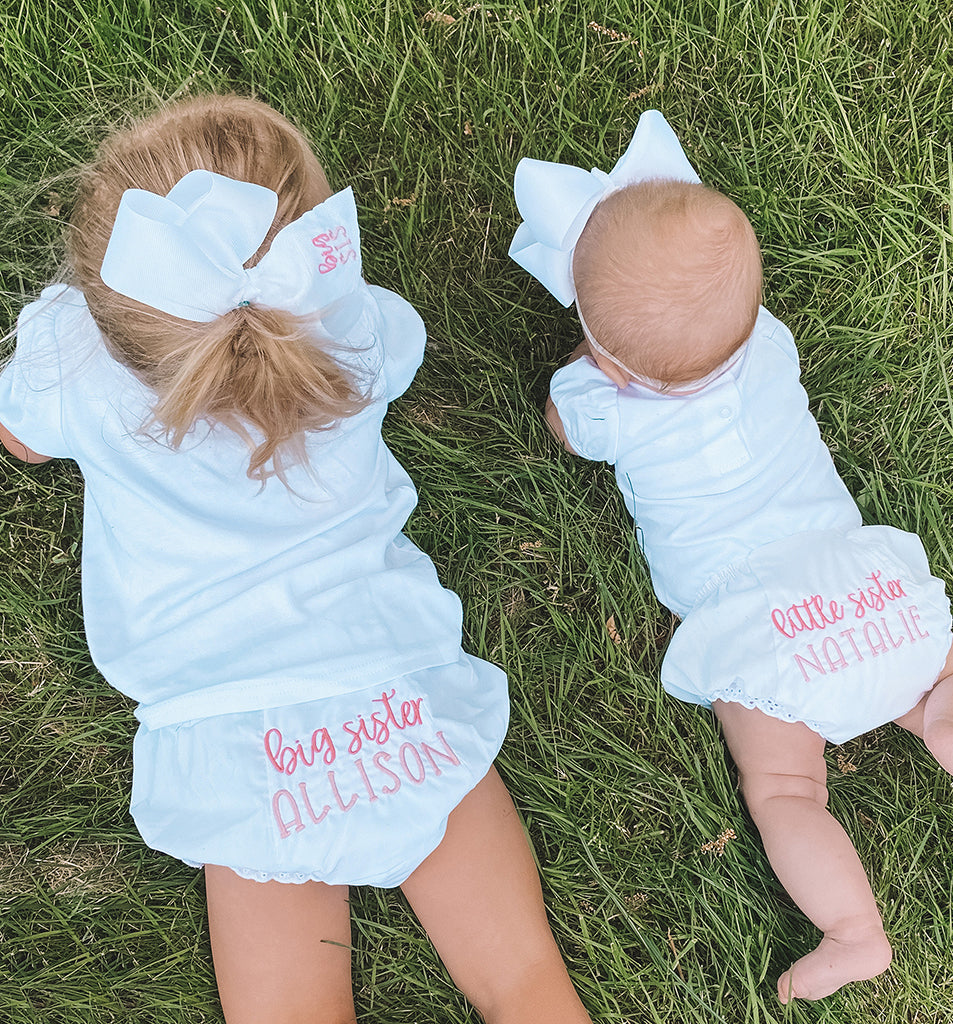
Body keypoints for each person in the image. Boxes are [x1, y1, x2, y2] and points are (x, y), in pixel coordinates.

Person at [0, 94, 593, 1024]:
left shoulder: (71, 359)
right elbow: (392, 342)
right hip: (397, 687)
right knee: (527, 990)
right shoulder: (352, 326)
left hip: (234, 737)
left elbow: (20, 435)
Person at [509, 109, 953, 1004]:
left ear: (611, 359)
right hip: (857, 583)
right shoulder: (770, 342)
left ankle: (855, 931)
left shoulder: (602, 402)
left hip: (769, 627)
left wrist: (590, 377)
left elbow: (566, 431)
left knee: (788, 786)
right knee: (950, 673)